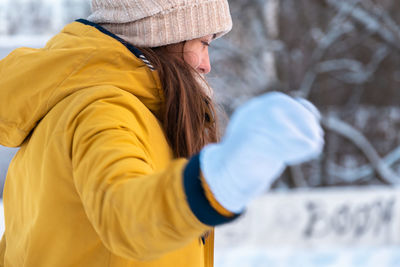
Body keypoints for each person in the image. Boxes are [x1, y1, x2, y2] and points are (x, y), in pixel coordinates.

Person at [0, 0, 324, 266]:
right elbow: (125, 215)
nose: (206, 65)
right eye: (203, 43)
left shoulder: (116, 104)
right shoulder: (103, 110)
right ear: (164, 33)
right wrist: (222, 178)